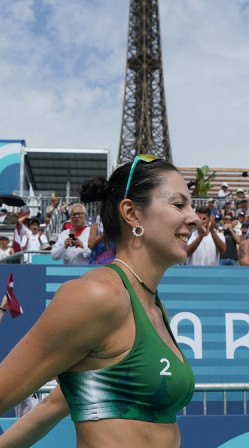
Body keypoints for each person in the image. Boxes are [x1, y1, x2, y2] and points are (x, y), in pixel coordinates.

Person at [0, 156, 197, 447]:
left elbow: (55, 404)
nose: (193, 217)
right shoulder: (97, 296)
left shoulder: (156, 307)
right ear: (131, 213)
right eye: (179, 204)